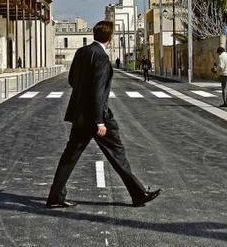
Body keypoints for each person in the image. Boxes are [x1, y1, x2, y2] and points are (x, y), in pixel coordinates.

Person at [47, 20, 161, 209]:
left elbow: (72, 80)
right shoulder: (101, 57)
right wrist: (99, 121)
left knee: (69, 156)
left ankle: (54, 197)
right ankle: (139, 194)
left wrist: (83, 100)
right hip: (97, 116)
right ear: (110, 38)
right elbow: (98, 91)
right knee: (117, 154)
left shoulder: (81, 52)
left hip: (80, 116)